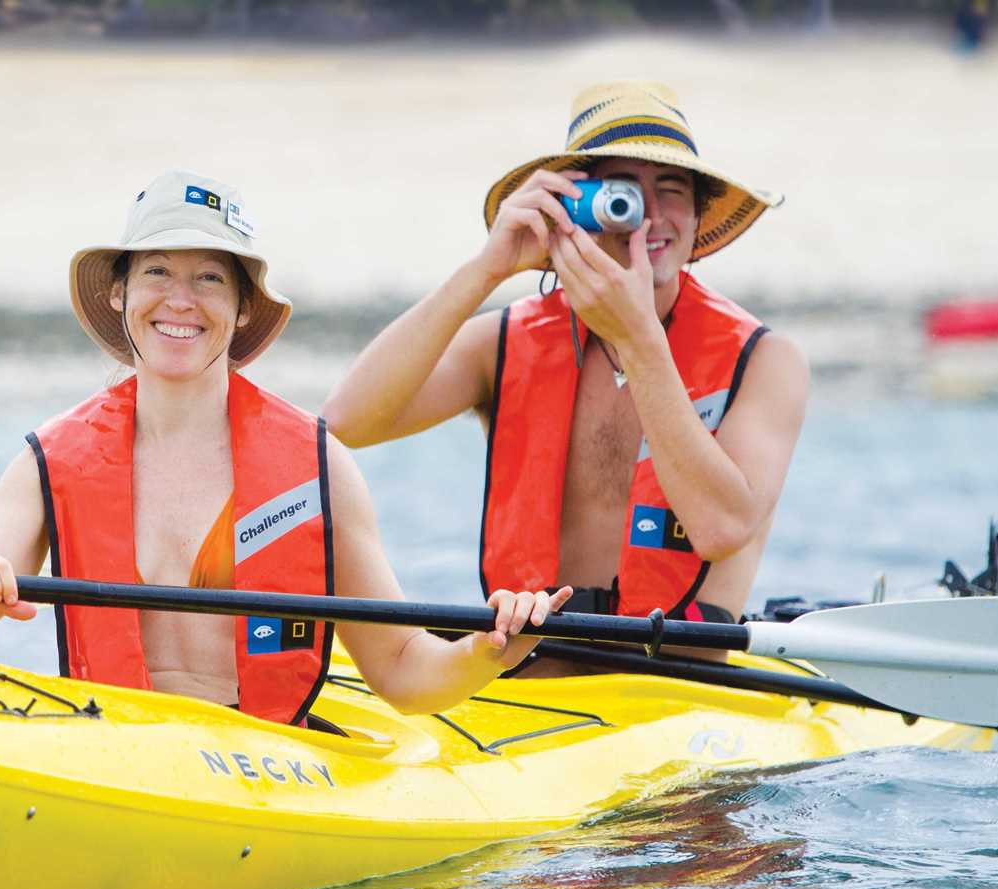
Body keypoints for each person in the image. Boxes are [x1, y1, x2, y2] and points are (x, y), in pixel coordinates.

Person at [0, 170, 570, 724]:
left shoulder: (317, 466)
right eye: (156, 271)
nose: (180, 299)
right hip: (116, 750)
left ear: (239, 308)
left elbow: (401, 670)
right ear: (119, 293)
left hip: (265, 767)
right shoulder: (49, 461)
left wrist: (489, 650)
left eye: (209, 278)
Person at [322, 82, 808, 664]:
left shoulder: (766, 358)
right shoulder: (505, 342)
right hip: (531, 672)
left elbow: (722, 527)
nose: (647, 216)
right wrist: (486, 269)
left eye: (671, 190)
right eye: (621, 192)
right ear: (573, 205)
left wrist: (639, 342)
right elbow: (343, 424)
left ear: (699, 217)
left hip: (682, 679)